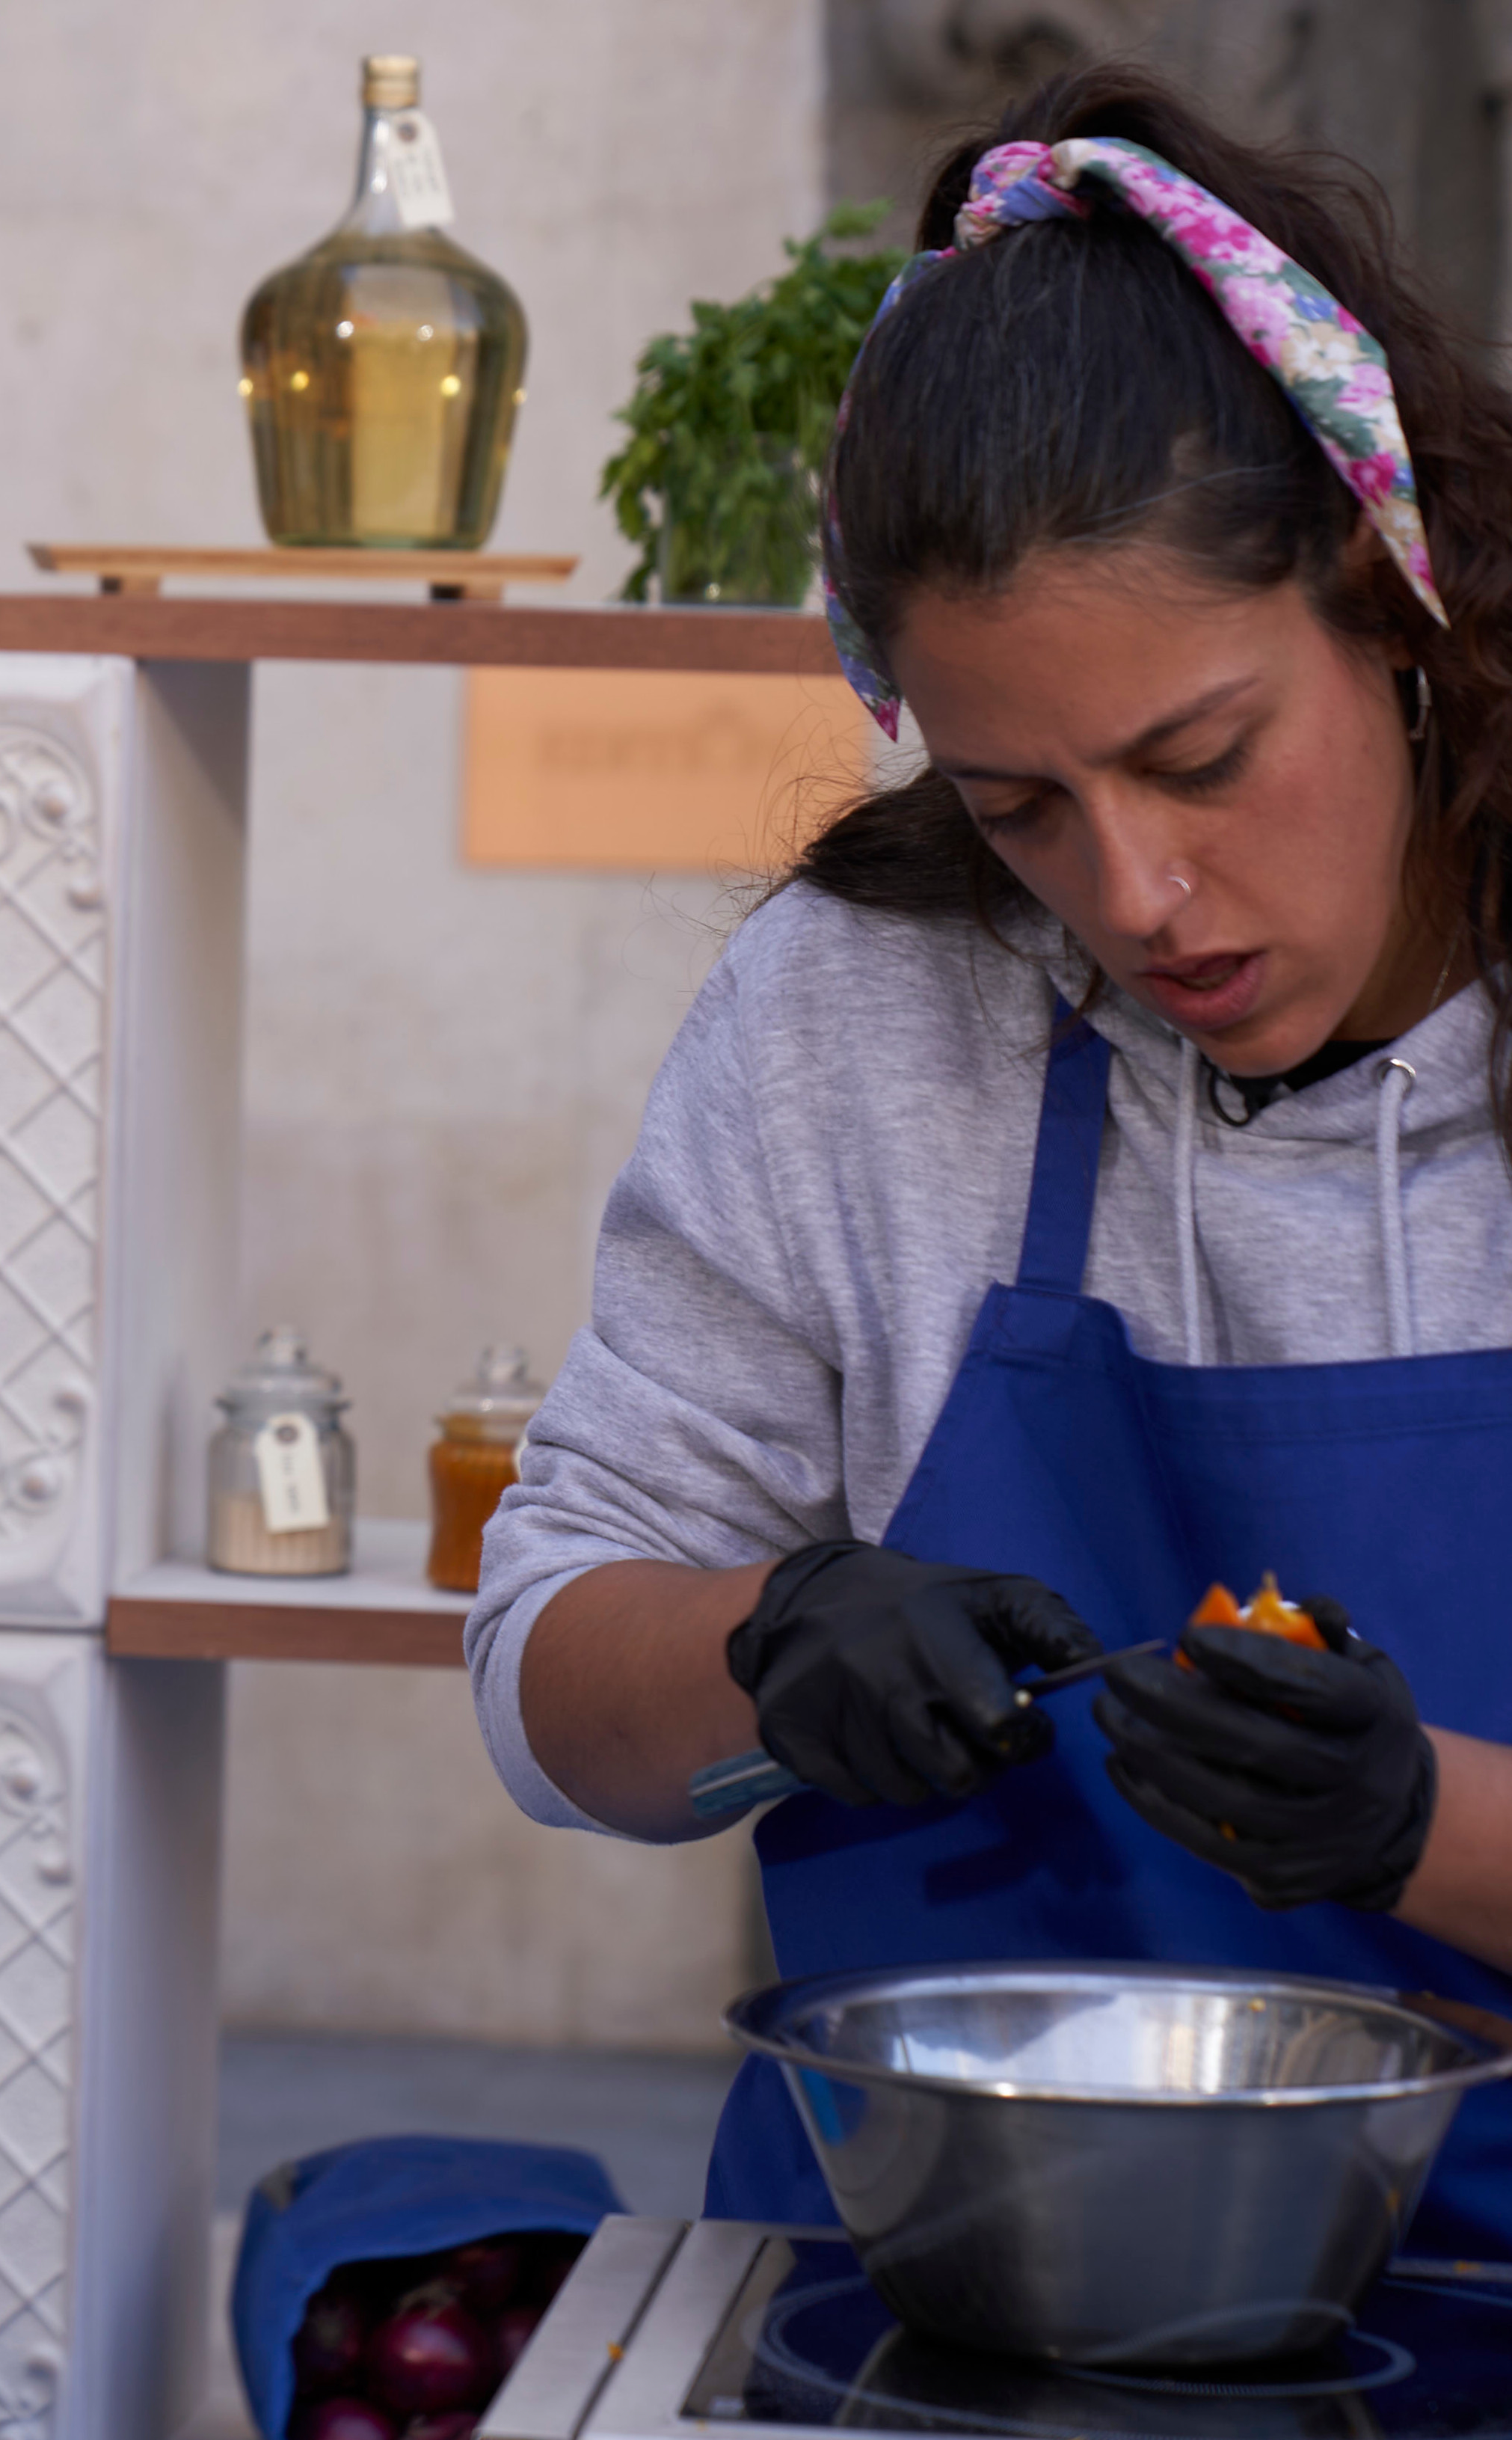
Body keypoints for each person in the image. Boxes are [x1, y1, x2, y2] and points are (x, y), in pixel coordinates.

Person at [475, 64, 1512, 2246]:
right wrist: (765, 1647)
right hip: (930, 2275)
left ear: (1387, 591)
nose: (1136, 898)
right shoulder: (860, 1017)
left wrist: (1424, 1822)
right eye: (1019, 807)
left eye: (1201, 758)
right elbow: (550, 1673)